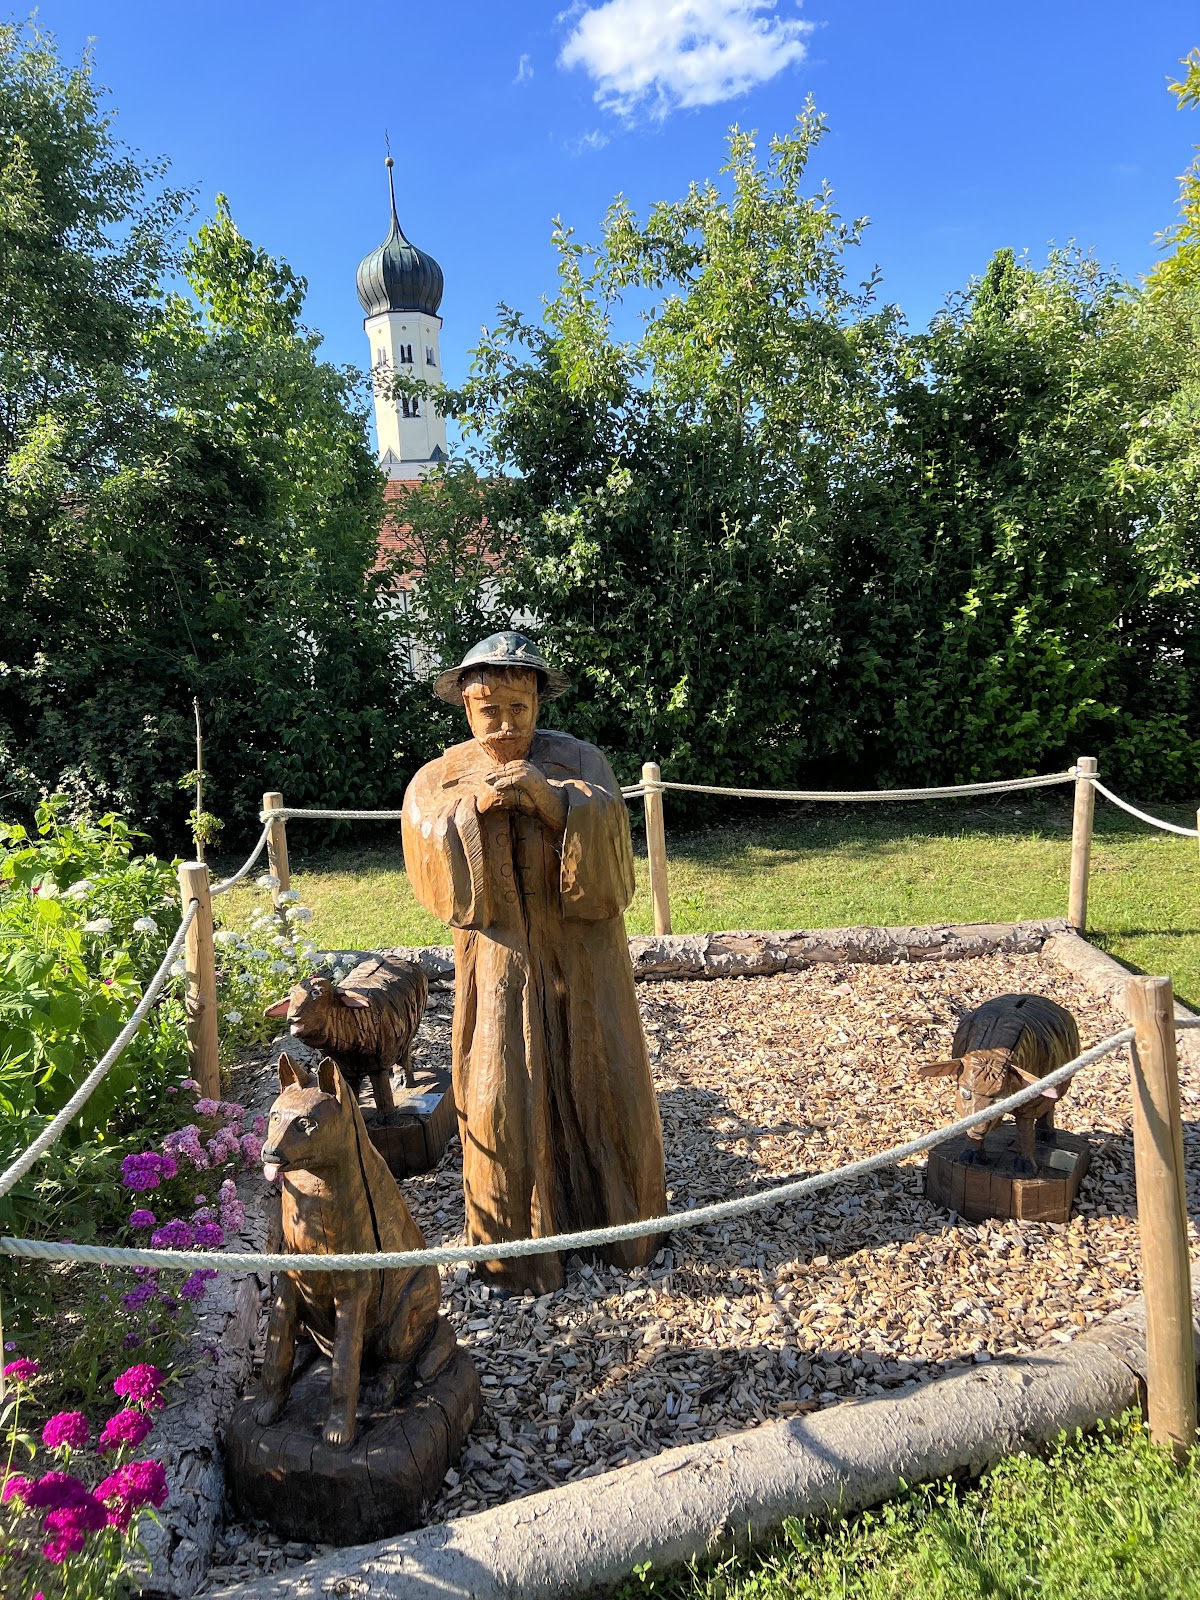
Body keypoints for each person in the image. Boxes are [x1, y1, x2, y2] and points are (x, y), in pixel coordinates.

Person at [401, 632, 667, 1294]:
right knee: (501, 1094)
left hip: (585, 965)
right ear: (467, 708)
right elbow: (426, 843)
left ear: (538, 703)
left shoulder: (580, 760)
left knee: (604, 1082)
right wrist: (473, 810)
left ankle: (626, 1232)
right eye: (489, 711)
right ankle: (515, 1255)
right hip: (500, 967)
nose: (505, 725)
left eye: (518, 708)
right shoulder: (441, 775)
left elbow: (611, 855)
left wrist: (555, 804)